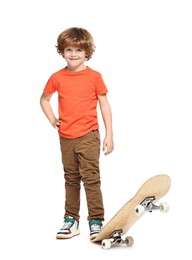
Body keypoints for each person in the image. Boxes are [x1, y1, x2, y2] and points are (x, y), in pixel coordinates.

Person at [40, 27, 114, 239]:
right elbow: (44, 99)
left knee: (91, 178)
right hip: (66, 137)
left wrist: (109, 135)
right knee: (71, 178)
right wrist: (53, 120)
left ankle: (96, 220)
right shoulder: (56, 77)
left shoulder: (94, 76)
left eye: (78, 50)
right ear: (62, 51)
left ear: (87, 52)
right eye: (69, 49)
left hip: (89, 135)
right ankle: (71, 220)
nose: (73, 54)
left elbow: (105, 105)